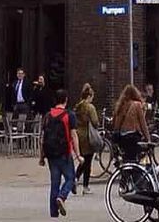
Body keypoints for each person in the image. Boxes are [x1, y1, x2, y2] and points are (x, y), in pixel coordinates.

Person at [39, 86, 78, 218]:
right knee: (70, 178)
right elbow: (74, 136)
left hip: (51, 155)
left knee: (54, 182)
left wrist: (41, 156)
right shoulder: (69, 115)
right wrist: (78, 154)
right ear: (66, 100)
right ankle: (62, 196)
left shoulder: (48, 115)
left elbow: (42, 138)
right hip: (65, 153)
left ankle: (53, 214)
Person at [111, 82, 149, 163]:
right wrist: (148, 139)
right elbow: (143, 124)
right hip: (133, 137)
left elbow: (114, 123)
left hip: (121, 138)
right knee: (134, 160)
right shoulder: (137, 105)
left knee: (127, 160)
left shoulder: (120, 105)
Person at [73, 83, 99, 195]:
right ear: (89, 96)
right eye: (92, 97)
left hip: (79, 134)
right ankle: (85, 186)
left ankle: (75, 179)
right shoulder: (90, 107)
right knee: (87, 161)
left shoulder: (77, 106)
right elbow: (95, 122)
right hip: (88, 136)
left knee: (82, 159)